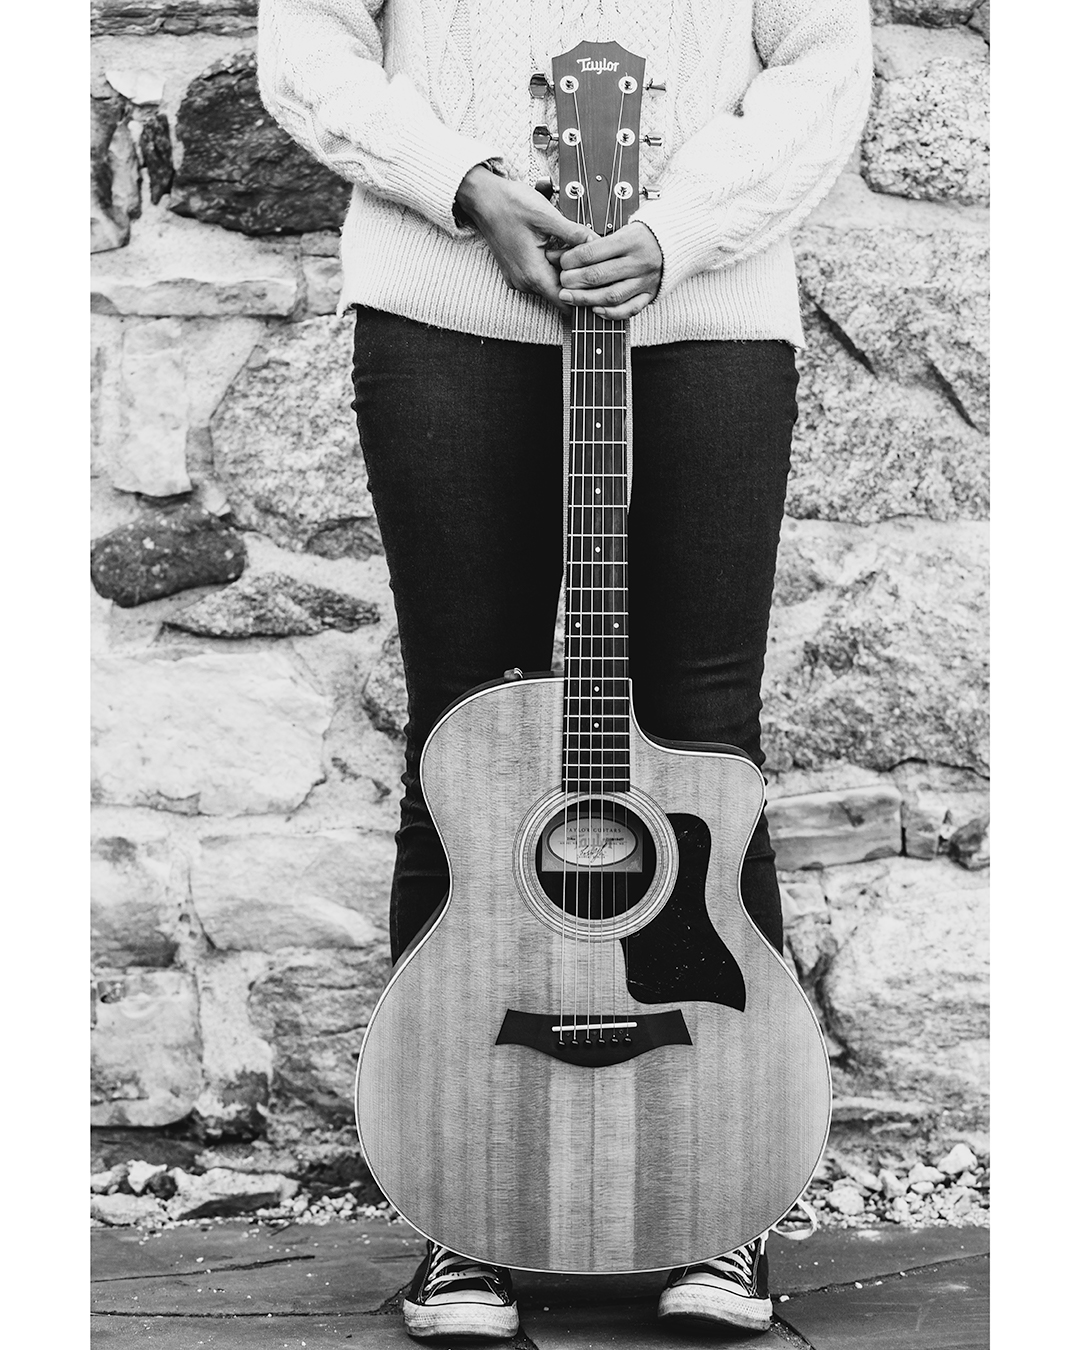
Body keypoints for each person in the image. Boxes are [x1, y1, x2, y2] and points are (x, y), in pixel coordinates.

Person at [258, 0, 871, 1337]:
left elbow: (824, 58)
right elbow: (307, 41)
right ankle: (461, 1208)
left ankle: (722, 1195)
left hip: (705, 308)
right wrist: (465, 183)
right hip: (444, 308)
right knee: (464, 740)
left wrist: (678, 228)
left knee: (703, 742)